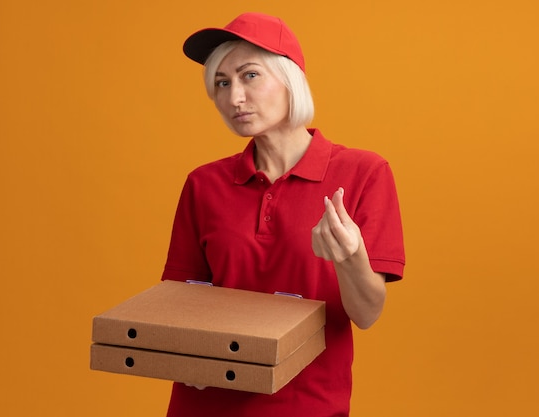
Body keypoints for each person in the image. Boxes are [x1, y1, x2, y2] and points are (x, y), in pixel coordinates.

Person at [161, 12, 405, 417]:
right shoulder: (203, 184)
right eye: (222, 83)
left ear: (290, 79)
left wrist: (349, 259)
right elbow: (179, 301)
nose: (234, 97)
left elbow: (366, 314)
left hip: (305, 405)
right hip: (203, 404)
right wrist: (184, 353)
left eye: (249, 76)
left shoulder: (364, 173)